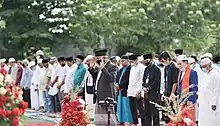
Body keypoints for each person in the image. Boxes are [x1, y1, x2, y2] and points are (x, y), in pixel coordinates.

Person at [94, 49, 117, 125]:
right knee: (99, 119)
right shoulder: (99, 67)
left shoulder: (112, 67)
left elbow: (111, 79)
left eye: (99, 59)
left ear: (104, 58)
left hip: (107, 97)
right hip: (99, 95)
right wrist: (91, 68)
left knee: (108, 119)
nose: (98, 61)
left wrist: (103, 68)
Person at [176, 55, 198, 125]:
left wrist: (191, 99)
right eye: (177, 64)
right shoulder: (180, 72)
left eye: (180, 64)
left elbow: (194, 87)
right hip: (181, 100)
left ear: (185, 63)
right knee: (182, 120)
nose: (178, 66)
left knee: (189, 120)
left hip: (189, 101)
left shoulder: (192, 72)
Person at [199, 58, 220, 126]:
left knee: (212, 120)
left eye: (205, 66)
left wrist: (214, 103)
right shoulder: (206, 74)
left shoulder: (215, 75)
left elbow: (216, 89)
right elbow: (202, 87)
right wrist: (199, 100)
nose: (204, 68)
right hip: (204, 102)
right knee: (204, 120)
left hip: (211, 103)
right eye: (202, 67)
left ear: (210, 64)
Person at [159, 52, 179, 123]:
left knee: (173, 113)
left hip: (172, 93)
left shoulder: (174, 67)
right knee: (166, 113)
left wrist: (172, 93)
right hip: (166, 92)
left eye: (163, 61)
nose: (162, 63)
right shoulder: (166, 67)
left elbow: (175, 82)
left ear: (168, 59)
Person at [142, 54, 161, 126]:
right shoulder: (146, 69)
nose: (146, 62)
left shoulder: (156, 69)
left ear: (151, 60)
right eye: (145, 61)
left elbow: (156, 81)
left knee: (155, 112)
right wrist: (144, 87)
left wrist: (149, 88)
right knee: (147, 111)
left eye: (147, 60)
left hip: (154, 93)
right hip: (146, 93)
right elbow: (144, 79)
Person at [127, 54, 146, 126]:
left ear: (136, 60)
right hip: (131, 90)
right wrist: (128, 90)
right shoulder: (132, 68)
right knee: (132, 108)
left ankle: (144, 123)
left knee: (140, 108)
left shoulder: (142, 67)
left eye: (132, 61)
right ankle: (135, 122)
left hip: (138, 91)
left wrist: (139, 91)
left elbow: (141, 80)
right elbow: (130, 80)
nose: (131, 63)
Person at [116, 55, 133, 125]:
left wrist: (120, 86)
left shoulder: (130, 69)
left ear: (128, 61)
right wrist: (116, 84)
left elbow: (127, 80)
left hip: (126, 90)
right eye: (121, 61)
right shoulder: (120, 69)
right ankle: (121, 120)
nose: (122, 63)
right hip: (120, 90)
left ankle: (129, 120)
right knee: (120, 106)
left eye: (123, 61)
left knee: (126, 106)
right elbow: (117, 78)